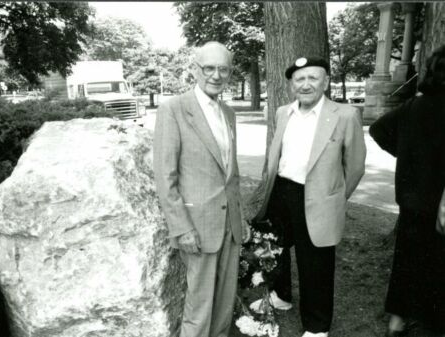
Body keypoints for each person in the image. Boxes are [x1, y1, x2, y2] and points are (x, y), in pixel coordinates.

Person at [253, 56, 366, 337]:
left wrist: (334, 197)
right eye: (299, 79)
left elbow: (354, 167)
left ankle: (316, 326)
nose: (306, 84)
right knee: (275, 248)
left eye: (313, 78)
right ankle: (282, 296)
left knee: (315, 262)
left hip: (316, 197)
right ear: (292, 85)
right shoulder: (283, 112)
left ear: (325, 81)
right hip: (281, 190)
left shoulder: (345, 115)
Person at [153, 41, 250, 337]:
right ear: (195, 69)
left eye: (223, 69)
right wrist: (181, 227)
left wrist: (241, 217)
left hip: (229, 225)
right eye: (209, 68)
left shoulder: (228, 113)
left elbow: (229, 175)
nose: (216, 75)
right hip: (197, 225)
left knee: (223, 302)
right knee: (199, 305)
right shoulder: (174, 109)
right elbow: (164, 175)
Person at [369, 44, 445, 337]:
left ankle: (397, 320)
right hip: (439, 202)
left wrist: (409, 156)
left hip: (412, 199)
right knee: (438, 263)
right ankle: (431, 321)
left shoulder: (415, 105)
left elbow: (378, 130)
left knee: (407, 260)